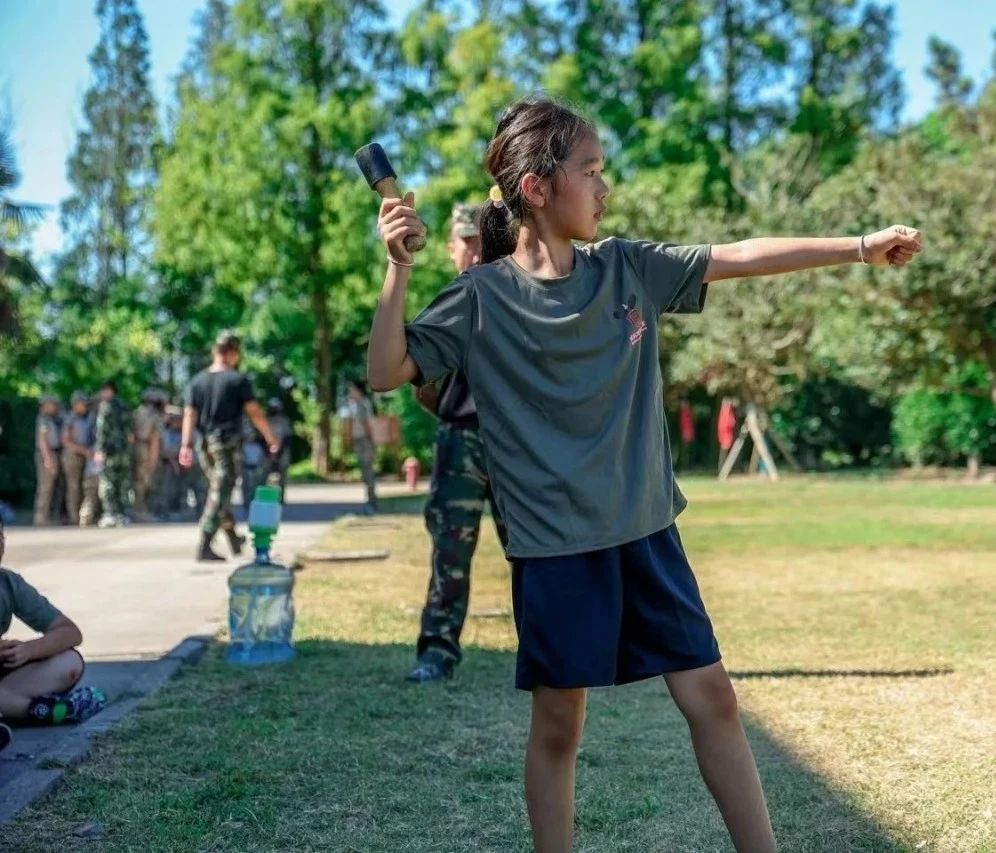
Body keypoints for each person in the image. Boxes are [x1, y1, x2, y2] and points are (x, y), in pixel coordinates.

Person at [366, 96, 922, 852]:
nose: (603, 187)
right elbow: (385, 369)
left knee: (714, 699)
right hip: (556, 549)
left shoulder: (626, 267)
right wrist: (396, 270)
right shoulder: (480, 299)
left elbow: (739, 254)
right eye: (590, 171)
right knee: (560, 724)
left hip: (647, 532)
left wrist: (858, 246)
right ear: (536, 187)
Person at [408, 203, 508, 685]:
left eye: (480, 239)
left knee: (536, 552)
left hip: (516, 442)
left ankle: (552, 653)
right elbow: (421, 380)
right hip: (461, 441)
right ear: (451, 249)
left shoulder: (516, 292)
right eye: (465, 241)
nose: (475, 249)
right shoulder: (448, 302)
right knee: (449, 550)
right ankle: (437, 652)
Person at [0, 518, 106, 752]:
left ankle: (16, 710)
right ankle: (42, 711)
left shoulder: (8, 583)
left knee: (69, 662)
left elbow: (70, 632)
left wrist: (27, 651)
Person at [179, 332, 279, 562]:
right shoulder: (238, 380)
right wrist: (270, 437)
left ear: (215, 351)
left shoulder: (197, 381)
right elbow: (254, 412)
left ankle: (233, 538)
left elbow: (189, 414)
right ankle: (205, 542)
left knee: (219, 489)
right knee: (221, 490)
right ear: (233, 353)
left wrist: (185, 445)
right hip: (225, 443)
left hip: (203, 444)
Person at [94, 381, 133, 529]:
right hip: (124, 452)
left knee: (108, 482)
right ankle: (122, 514)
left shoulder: (105, 407)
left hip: (110, 452)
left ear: (109, 391)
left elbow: (102, 430)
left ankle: (110, 513)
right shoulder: (124, 407)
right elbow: (130, 432)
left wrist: (100, 450)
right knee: (123, 483)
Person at [61, 391, 97, 527]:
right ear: (75, 404)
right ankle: (73, 517)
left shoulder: (89, 418)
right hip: (73, 455)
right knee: (73, 487)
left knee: (87, 486)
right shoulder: (69, 419)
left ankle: (86, 515)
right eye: (82, 403)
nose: (85, 406)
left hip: (87, 455)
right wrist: (83, 450)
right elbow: (65, 440)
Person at [345, 380, 378, 513]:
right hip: (361, 440)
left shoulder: (362, 405)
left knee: (368, 471)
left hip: (364, 441)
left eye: (352, 390)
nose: (350, 393)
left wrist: (371, 441)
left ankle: (372, 501)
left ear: (358, 391)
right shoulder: (357, 405)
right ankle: (370, 500)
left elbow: (366, 425)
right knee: (366, 471)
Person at [131, 390, 164, 522]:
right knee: (147, 480)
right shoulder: (153, 415)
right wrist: (153, 459)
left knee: (137, 480)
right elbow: (154, 438)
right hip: (147, 449)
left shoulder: (135, 413)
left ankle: (137, 509)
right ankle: (143, 511)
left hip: (136, 448)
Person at [32, 395, 64, 527]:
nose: (55, 407)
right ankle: (41, 517)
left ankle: (46, 516)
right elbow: (42, 439)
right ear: (45, 405)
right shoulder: (44, 419)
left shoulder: (51, 419)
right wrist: (47, 458)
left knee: (51, 487)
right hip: (47, 454)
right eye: (53, 404)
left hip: (52, 453)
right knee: (45, 486)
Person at [264, 398, 292, 503]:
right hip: (267, 451)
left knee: (283, 475)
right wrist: (268, 449)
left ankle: (281, 497)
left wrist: (280, 449)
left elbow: (288, 437)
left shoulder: (284, 421)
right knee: (265, 474)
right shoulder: (266, 420)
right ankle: (267, 496)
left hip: (282, 450)